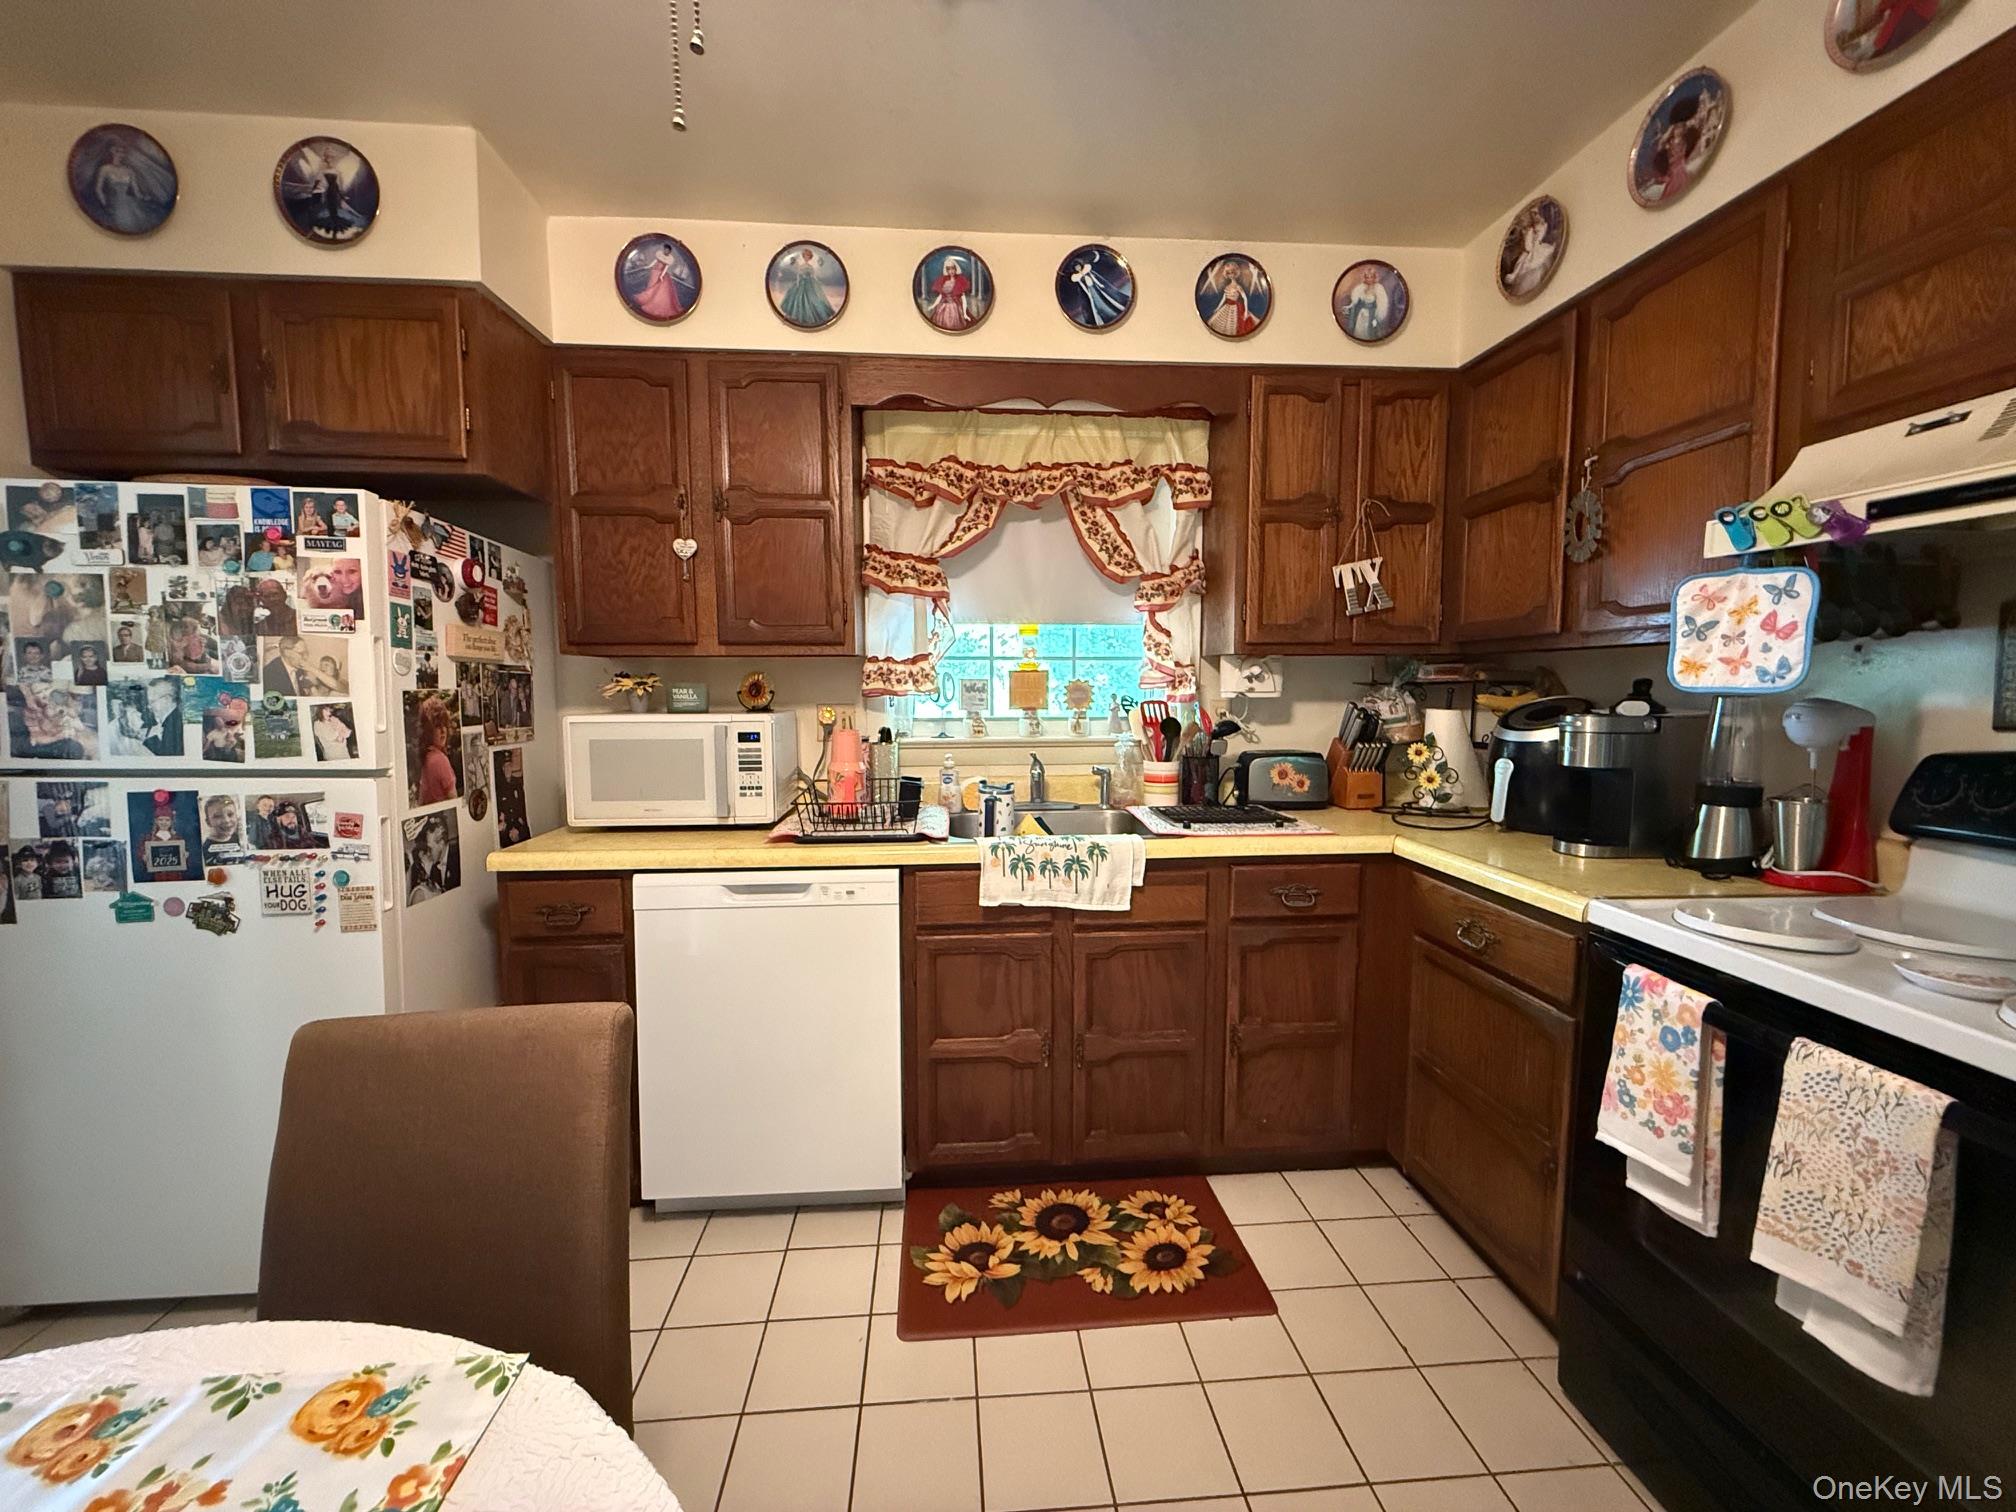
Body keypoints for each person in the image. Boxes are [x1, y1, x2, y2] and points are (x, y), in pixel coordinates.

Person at [415, 694, 459, 803]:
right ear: (428, 731)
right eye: (437, 726)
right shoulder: (439, 760)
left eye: (444, 725)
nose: (443, 731)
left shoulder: (427, 756)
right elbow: (454, 801)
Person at [777, 247, 836, 328]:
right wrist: (798, 282)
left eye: (808, 256)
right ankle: (799, 316)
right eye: (805, 256)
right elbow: (798, 275)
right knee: (799, 298)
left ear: (810, 257)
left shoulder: (811, 267)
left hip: (810, 283)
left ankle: (811, 317)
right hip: (801, 283)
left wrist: (817, 281)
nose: (806, 258)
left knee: (813, 298)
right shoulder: (801, 266)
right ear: (803, 256)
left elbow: (813, 275)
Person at [631, 240, 690, 321]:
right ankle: (648, 298)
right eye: (665, 249)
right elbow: (654, 262)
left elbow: (665, 268)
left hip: (660, 274)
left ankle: (655, 302)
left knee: (657, 289)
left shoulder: (668, 259)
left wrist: (662, 276)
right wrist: (648, 267)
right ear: (664, 249)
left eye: (668, 250)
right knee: (651, 286)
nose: (666, 251)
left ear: (669, 252)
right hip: (654, 272)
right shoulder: (659, 255)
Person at [1204, 261, 1257, 338]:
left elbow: (1245, 299)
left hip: (1237, 308)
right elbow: (1223, 299)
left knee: (1234, 327)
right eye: (1228, 273)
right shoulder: (1227, 287)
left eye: (1232, 272)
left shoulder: (1238, 287)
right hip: (1227, 307)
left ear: (1235, 273)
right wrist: (1217, 308)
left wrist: (1245, 312)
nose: (1230, 275)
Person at [406, 815, 451, 903]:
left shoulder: (436, 884)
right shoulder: (419, 893)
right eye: (426, 853)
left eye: (430, 849)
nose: (429, 854)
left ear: (441, 844)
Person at [925, 255, 975, 332]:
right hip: (943, 307)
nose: (951, 271)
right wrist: (933, 305)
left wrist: (965, 313)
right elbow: (940, 296)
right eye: (948, 269)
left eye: (953, 268)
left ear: (956, 269)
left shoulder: (960, 280)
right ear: (946, 270)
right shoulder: (944, 280)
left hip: (955, 308)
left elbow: (963, 299)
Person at [141, 678, 184, 756]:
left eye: (152, 701)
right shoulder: (173, 719)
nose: (149, 706)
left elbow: (169, 759)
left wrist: (149, 740)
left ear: (166, 699)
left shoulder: (175, 725)